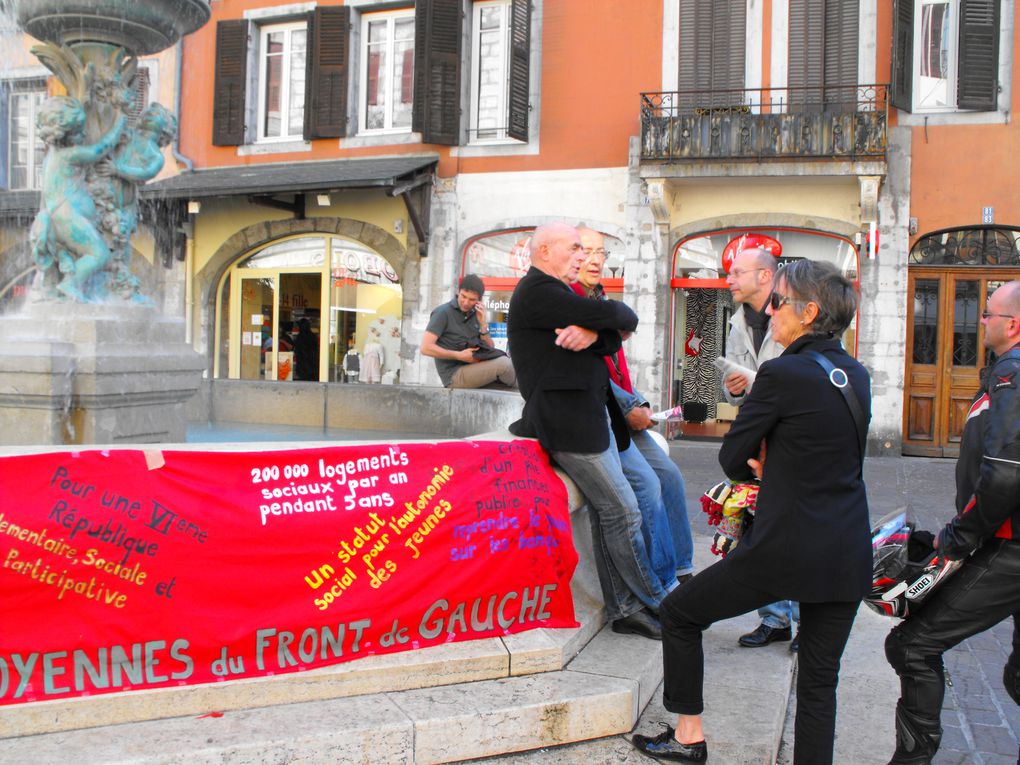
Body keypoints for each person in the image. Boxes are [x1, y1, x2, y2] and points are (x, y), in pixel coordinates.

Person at [634, 259, 871, 764]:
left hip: (787, 544)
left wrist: (764, 469)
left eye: (779, 303)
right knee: (818, 684)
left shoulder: (781, 373)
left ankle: (688, 737)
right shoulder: (854, 373)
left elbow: (732, 459)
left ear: (809, 312)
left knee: (679, 613)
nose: (771, 311)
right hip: (846, 547)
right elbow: (830, 452)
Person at [508, 222, 668, 640]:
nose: (583, 255)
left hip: (589, 420)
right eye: (574, 247)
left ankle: (626, 608)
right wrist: (604, 326)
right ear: (544, 251)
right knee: (624, 510)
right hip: (569, 425)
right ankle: (653, 601)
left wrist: (595, 333)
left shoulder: (560, 295)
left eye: (584, 248)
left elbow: (613, 337)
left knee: (612, 511)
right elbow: (623, 316)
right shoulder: (540, 292)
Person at [884, 281, 1020, 765]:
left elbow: (1006, 473)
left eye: (986, 314)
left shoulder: (1014, 374)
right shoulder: (1004, 372)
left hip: (1008, 547)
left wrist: (960, 539)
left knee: (913, 645)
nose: (980, 321)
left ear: (1012, 323)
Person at [572, 227, 694, 591]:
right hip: (605, 419)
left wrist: (636, 400)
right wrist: (628, 408)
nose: (595, 259)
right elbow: (595, 373)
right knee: (648, 486)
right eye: (587, 251)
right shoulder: (571, 301)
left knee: (670, 477)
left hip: (623, 414)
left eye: (602, 253)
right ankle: (664, 580)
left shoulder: (598, 297)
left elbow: (617, 368)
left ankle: (682, 570)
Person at [723, 246, 799, 651]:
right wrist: (732, 387)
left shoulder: (796, 312)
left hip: (790, 434)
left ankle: (806, 621)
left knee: (798, 528)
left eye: (737, 273)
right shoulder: (737, 321)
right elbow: (735, 384)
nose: (729, 280)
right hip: (756, 432)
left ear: (764, 277)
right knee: (758, 525)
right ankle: (775, 619)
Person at [30, 97, 127, 302]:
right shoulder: (69, 155)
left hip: (59, 215)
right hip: (67, 215)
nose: (84, 134)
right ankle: (71, 283)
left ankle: (61, 286)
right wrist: (119, 123)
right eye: (79, 130)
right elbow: (100, 149)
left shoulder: (51, 157)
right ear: (66, 133)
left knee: (92, 252)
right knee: (99, 253)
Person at [422, 274, 517, 389]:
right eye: (463, 296)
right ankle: (529, 390)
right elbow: (426, 348)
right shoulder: (443, 313)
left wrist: (483, 324)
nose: (466, 302)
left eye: (472, 299)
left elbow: (490, 348)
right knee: (504, 365)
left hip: (476, 367)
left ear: (479, 301)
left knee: (508, 385)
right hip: (454, 375)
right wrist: (459, 355)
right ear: (458, 291)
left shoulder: (476, 314)